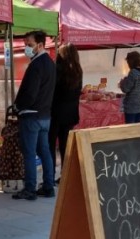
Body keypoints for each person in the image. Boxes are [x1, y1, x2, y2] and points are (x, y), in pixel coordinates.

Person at [13, 30, 56, 201]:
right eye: (25, 45)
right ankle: (48, 186)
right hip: (45, 116)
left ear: (40, 45)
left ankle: (30, 189)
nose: (26, 48)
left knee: (29, 152)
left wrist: (18, 106)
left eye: (29, 45)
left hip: (31, 116)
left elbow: (30, 93)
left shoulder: (36, 65)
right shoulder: (50, 64)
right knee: (44, 151)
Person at [48, 43, 83, 174]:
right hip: (71, 113)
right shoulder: (78, 70)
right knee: (65, 146)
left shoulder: (57, 69)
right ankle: (65, 174)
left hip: (55, 112)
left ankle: (50, 174)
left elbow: (52, 91)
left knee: (50, 144)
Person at [119, 51, 140, 124]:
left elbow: (126, 89)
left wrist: (121, 83)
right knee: (138, 128)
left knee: (130, 129)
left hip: (132, 107)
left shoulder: (133, 72)